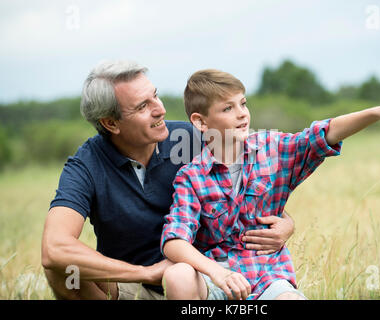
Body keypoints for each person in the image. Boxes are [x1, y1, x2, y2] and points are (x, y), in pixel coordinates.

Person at [41, 60, 295, 300]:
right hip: (132, 286)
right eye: (142, 106)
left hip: (199, 280)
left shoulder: (192, 139)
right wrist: (147, 273)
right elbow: (55, 248)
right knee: (62, 270)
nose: (160, 109)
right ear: (110, 123)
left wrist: (287, 224)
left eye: (156, 95)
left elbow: (253, 194)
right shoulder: (86, 165)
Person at [161, 69, 380, 300]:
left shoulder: (272, 149)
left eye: (243, 103)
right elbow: (174, 239)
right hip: (217, 279)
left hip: (267, 277)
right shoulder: (192, 176)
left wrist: (376, 112)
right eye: (228, 108)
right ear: (200, 121)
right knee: (178, 276)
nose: (242, 114)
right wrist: (218, 273)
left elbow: (322, 134)